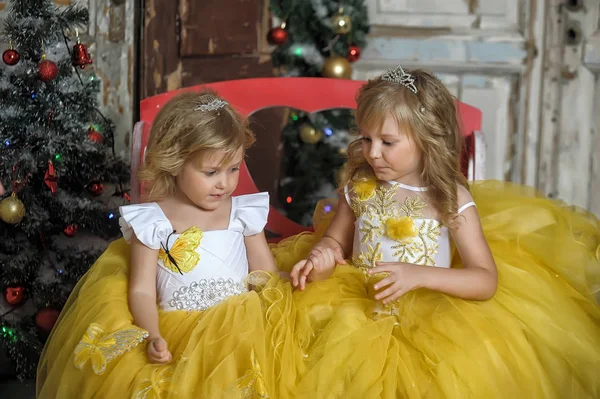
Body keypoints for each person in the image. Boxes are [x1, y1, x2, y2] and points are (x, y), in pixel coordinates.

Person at [275, 66, 600, 398]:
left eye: (387, 142)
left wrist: (419, 275)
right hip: (357, 307)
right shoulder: (360, 187)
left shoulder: (448, 198)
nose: (373, 152)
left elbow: (485, 279)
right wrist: (324, 253)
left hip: (431, 321)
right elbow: (336, 240)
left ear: (426, 139)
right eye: (366, 138)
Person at [37, 91, 300, 399]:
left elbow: (266, 275)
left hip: (240, 334)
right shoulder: (153, 220)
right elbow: (142, 290)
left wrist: (295, 280)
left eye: (233, 169)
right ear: (175, 163)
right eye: (211, 172)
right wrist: (154, 334)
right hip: (177, 334)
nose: (224, 183)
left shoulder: (242, 213)